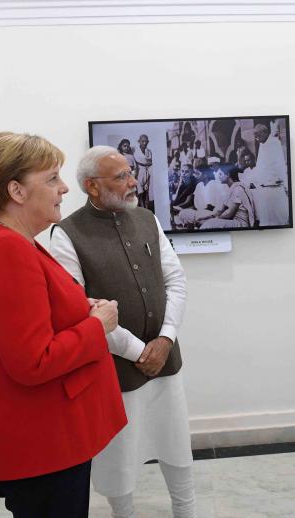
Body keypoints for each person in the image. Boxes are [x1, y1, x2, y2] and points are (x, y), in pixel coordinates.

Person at [0, 132, 126, 517]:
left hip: (45, 440)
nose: (64, 187)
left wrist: (78, 307)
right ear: (16, 191)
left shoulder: (11, 240)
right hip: (41, 445)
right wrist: (97, 325)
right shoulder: (5, 250)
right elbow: (33, 361)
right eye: (52, 178)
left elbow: (30, 312)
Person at [50, 146, 196, 518]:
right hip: (115, 370)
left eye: (130, 173)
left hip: (166, 361)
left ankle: (187, 510)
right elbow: (81, 308)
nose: (132, 181)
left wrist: (164, 339)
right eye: (121, 177)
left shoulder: (147, 219)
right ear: (92, 186)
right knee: (120, 456)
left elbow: (176, 281)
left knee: (176, 443)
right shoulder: (66, 235)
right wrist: (137, 352)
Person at [247, 123, 289, 226]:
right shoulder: (262, 145)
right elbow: (261, 167)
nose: (255, 137)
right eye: (254, 134)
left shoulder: (274, 143)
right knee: (266, 219)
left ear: (265, 132)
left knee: (278, 219)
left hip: (274, 187)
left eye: (257, 134)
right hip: (264, 189)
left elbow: (278, 166)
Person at [200, 153, 256, 229]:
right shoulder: (231, 188)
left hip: (241, 224)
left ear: (228, 174)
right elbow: (221, 209)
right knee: (206, 222)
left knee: (211, 224)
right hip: (232, 220)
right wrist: (208, 217)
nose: (219, 177)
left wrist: (215, 219)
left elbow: (230, 212)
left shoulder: (238, 189)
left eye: (221, 174)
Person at [134, 134, 153, 210]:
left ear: (148, 142)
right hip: (139, 172)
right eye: (142, 141)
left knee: (146, 192)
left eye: (146, 141)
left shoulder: (149, 151)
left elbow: (151, 162)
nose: (144, 143)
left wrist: (147, 164)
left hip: (147, 172)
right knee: (140, 193)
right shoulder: (135, 151)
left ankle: (147, 208)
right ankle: (142, 209)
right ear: (139, 141)